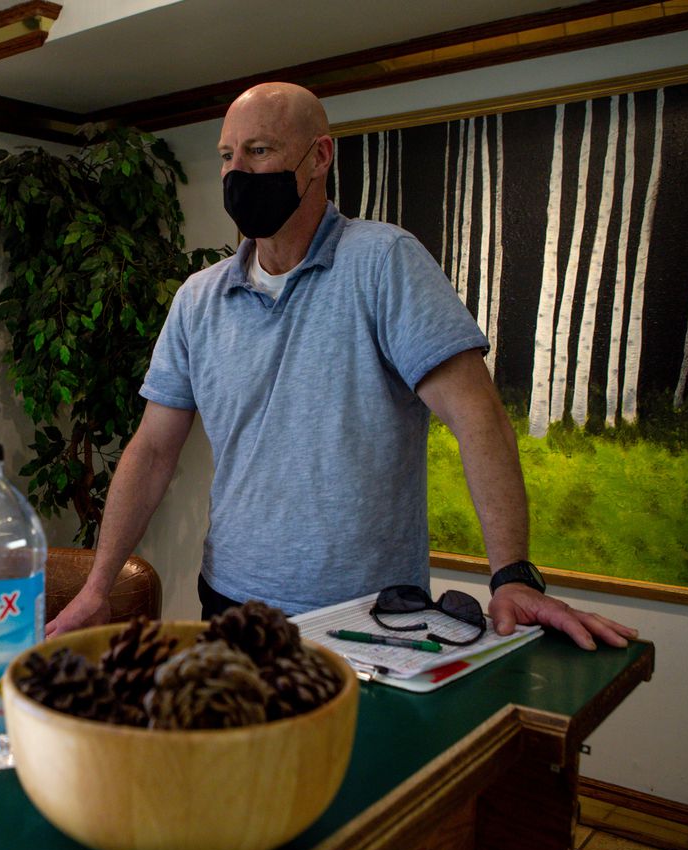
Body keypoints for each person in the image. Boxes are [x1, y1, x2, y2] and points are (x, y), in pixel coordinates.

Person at [47, 82, 636, 651]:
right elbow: (151, 451)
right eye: (228, 155)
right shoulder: (198, 300)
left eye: (260, 150)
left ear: (318, 157)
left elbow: (476, 417)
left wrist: (511, 575)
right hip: (229, 605)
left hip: (369, 616)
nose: (238, 173)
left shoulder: (384, 262)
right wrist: (99, 586)